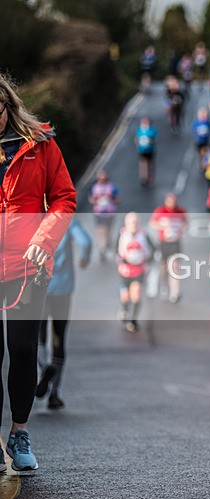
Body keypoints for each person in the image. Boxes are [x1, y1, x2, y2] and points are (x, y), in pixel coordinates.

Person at [0, 73, 77, 472]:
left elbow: (64, 197)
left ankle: (19, 432)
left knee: (25, 349)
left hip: (27, 265)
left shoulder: (39, 144)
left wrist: (44, 241)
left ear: (7, 107)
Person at [36, 218, 91, 410]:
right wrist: (85, 257)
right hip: (64, 287)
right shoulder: (68, 220)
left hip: (40, 287)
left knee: (39, 337)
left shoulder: (35, 218)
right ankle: (54, 393)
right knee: (59, 338)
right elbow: (85, 241)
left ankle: (44, 369)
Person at [116, 212, 155, 333]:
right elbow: (115, 250)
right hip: (125, 271)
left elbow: (153, 248)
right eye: (130, 222)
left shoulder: (143, 235)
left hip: (139, 270)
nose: (133, 225)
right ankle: (124, 309)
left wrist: (147, 261)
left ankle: (133, 320)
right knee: (125, 296)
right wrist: (121, 260)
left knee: (136, 293)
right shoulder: (122, 235)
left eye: (135, 222)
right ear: (126, 224)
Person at [149, 192, 188, 303]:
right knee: (164, 267)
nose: (172, 203)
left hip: (175, 243)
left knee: (175, 267)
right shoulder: (160, 211)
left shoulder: (181, 212)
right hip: (163, 242)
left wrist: (180, 229)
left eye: (174, 201)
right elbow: (152, 223)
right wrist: (163, 226)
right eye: (170, 201)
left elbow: (186, 224)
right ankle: (165, 283)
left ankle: (175, 292)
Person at [88, 169, 120, 262]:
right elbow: (90, 199)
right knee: (101, 232)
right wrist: (97, 201)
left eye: (104, 179)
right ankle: (102, 250)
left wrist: (110, 200)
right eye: (100, 178)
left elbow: (118, 199)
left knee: (108, 231)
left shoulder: (111, 187)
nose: (102, 180)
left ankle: (107, 243)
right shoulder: (94, 188)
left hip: (110, 213)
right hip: (99, 214)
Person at [135, 116, 158, 186]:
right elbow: (136, 139)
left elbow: (156, 139)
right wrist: (137, 145)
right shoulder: (139, 130)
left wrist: (151, 141)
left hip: (150, 149)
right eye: (143, 122)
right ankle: (143, 177)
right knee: (143, 163)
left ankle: (150, 176)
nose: (144, 123)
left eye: (146, 122)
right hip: (142, 150)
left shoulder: (152, 130)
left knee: (150, 163)